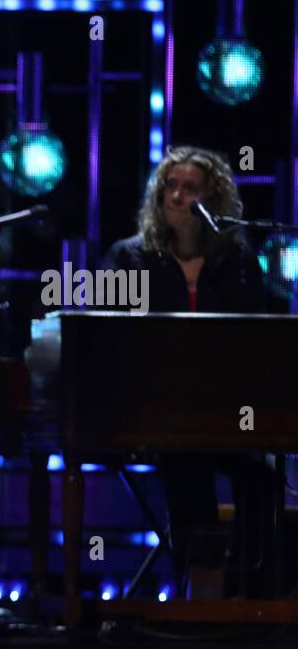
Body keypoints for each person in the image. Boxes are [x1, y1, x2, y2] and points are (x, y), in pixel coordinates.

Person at [100, 147, 271, 596]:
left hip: (227, 411)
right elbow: (105, 338)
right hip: (155, 411)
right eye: (170, 187)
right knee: (185, 458)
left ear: (212, 199)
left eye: (190, 189)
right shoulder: (130, 257)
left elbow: (256, 344)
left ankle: (255, 588)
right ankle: (201, 586)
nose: (177, 197)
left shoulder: (237, 261)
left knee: (262, 474)